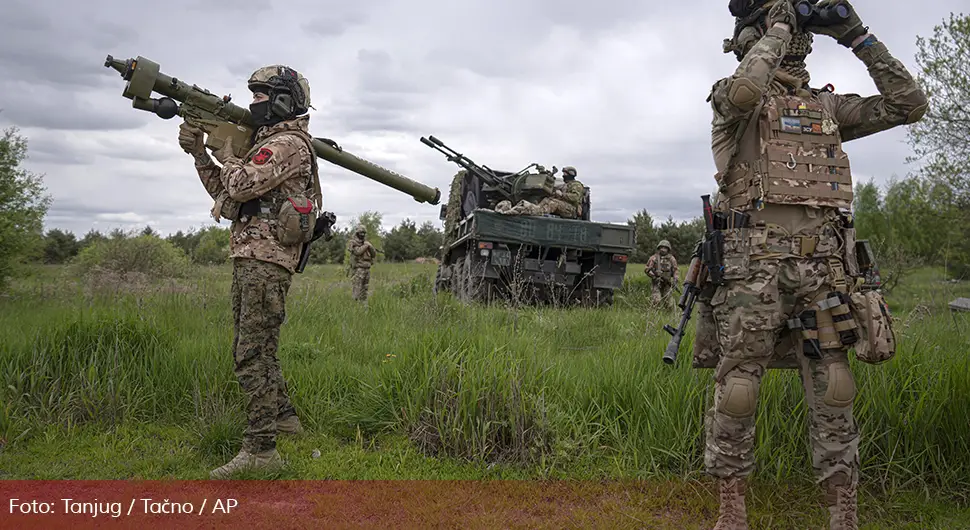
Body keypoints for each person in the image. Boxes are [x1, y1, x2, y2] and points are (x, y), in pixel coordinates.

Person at [702, 1, 927, 528]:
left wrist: (857, 36)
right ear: (748, 38)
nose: (797, 37)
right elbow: (744, 91)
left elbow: (909, 104)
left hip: (824, 270)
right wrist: (777, 28)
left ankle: (841, 513)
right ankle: (731, 511)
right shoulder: (732, 103)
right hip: (752, 269)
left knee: (835, 388)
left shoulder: (825, 111)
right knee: (738, 389)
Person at [177, 64, 321, 479]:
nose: (253, 102)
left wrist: (223, 151)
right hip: (253, 256)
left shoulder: (287, 145)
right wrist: (200, 154)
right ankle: (285, 421)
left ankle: (261, 451)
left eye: (261, 95)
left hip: (265, 260)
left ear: (282, 100)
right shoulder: (265, 144)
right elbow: (228, 196)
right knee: (262, 349)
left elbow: (238, 183)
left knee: (250, 354)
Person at [495, 166, 586, 218]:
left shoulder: (576, 185)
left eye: (565, 173)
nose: (563, 175)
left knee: (553, 203)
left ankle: (537, 212)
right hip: (566, 207)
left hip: (572, 210)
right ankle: (533, 209)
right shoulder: (564, 185)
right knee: (547, 199)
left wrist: (562, 195)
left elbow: (575, 197)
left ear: (571, 174)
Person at [347, 224, 377, 301]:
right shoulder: (353, 242)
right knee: (356, 291)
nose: (362, 234)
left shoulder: (366, 243)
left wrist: (369, 246)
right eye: (361, 233)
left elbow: (373, 254)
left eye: (364, 233)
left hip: (367, 269)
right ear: (357, 233)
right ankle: (354, 308)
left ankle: (363, 309)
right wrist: (366, 246)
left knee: (365, 291)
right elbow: (358, 252)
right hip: (358, 269)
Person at [645, 240, 678, 309]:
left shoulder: (671, 259)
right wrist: (654, 277)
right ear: (659, 248)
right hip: (656, 283)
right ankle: (654, 316)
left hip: (667, 283)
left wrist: (675, 280)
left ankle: (668, 316)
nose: (663, 250)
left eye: (665, 248)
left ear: (668, 249)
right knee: (656, 301)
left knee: (669, 303)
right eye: (661, 247)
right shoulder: (654, 258)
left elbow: (675, 270)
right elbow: (647, 269)